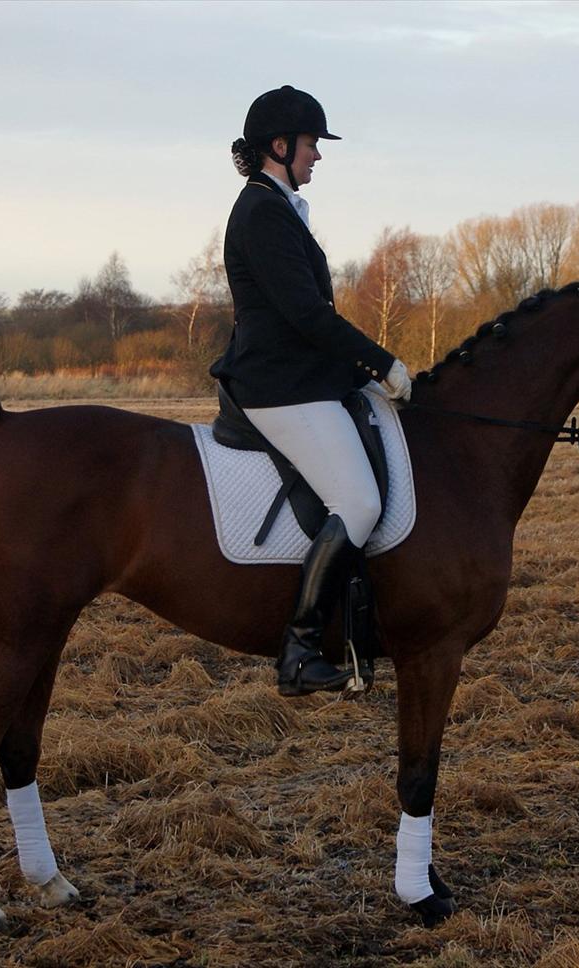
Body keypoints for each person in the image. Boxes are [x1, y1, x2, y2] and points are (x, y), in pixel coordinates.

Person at [210, 85, 412, 696]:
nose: (317, 156)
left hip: (300, 378)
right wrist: (379, 363)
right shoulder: (263, 212)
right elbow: (305, 314)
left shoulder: (278, 205)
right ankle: (300, 648)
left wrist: (359, 376)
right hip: (278, 387)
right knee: (359, 503)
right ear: (280, 145)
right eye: (311, 145)